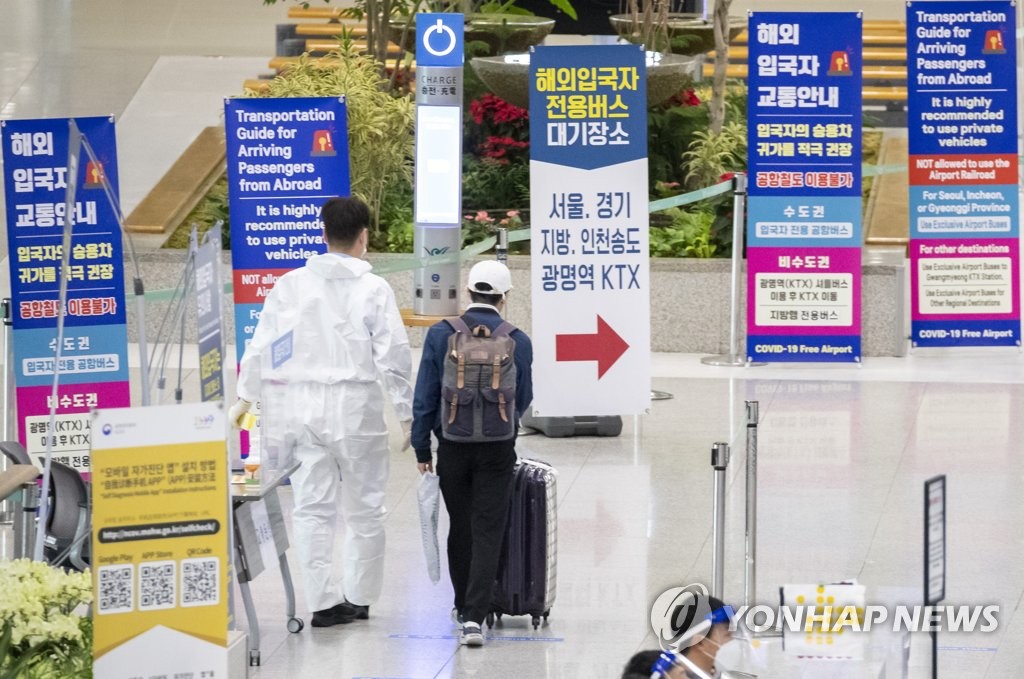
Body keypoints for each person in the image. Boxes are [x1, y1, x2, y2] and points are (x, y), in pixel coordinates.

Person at [229, 196, 413, 628]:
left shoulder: (290, 284)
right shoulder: (373, 289)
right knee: (365, 505)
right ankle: (360, 596)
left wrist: (245, 396)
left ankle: (323, 603)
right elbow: (394, 357)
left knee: (312, 506)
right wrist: (406, 415)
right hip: (355, 406)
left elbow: (262, 346)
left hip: (301, 406)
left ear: (323, 233)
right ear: (364, 237)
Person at [411, 260, 533, 647]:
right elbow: (524, 397)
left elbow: (426, 393)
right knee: (488, 529)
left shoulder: (440, 335)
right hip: (498, 449)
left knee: (460, 525)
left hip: (453, 446)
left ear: (468, 293)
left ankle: (462, 604)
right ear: (505, 296)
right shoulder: (519, 340)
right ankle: (475, 619)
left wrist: (420, 444)